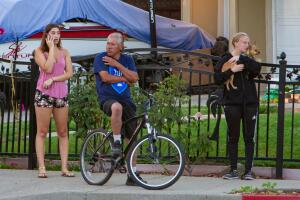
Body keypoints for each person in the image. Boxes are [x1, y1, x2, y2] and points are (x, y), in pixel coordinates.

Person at [93, 32, 141, 186]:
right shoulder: (101, 58)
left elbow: (135, 78)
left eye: (112, 44)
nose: (108, 46)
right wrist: (124, 78)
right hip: (107, 99)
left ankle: (132, 174)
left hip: (126, 100)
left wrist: (118, 66)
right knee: (117, 107)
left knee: (133, 138)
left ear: (121, 47)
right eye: (107, 43)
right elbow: (106, 78)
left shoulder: (127, 59)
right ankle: (117, 142)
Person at [214, 32, 261, 180]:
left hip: (250, 104)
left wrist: (241, 58)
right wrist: (231, 70)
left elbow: (257, 69)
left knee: (249, 138)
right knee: (233, 137)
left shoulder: (247, 59)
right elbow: (217, 79)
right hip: (232, 104)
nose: (246, 45)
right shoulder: (225, 59)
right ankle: (233, 170)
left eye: (247, 43)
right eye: (243, 42)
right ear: (235, 43)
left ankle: (248, 171)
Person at [34, 24, 74, 178]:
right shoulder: (39, 52)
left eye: (58, 33)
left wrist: (53, 80)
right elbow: (48, 68)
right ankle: (42, 167)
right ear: (46, 35)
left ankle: (64, 168)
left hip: (61, 95)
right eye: (53, 33)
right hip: (44, 95)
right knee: (42, 131)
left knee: (63, 132)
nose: (56, 35)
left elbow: (69, 73)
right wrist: (51, 49)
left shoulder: (65, 52)